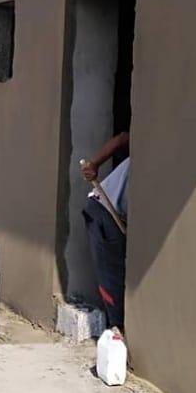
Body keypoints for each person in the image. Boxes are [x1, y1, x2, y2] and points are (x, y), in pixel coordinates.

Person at [80, 130, 129, 329]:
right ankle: (117, 329)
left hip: (118, 215)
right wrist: (94, 164)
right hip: (104, 211)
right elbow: (123, 137)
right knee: (112, 274)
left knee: (119, 272)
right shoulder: (148, 145)